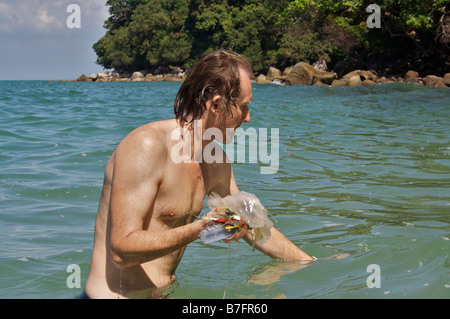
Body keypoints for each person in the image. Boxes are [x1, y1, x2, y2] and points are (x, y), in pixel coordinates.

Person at [82, 50, 313, 299]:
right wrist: (200, 229)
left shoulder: (215, 161)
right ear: (215, 105)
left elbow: (255, 228)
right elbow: (121, 252)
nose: (248, 118)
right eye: (244, 107)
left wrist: (312, 264)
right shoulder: (147, 146)